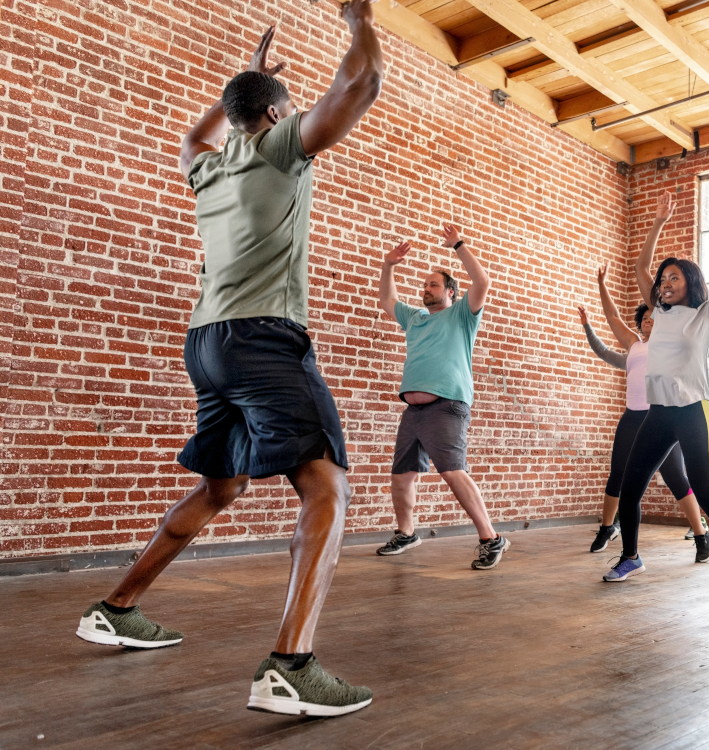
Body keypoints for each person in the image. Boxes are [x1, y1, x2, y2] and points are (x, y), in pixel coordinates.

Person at [74, 11, 384, 716]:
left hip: (206, 343)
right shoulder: (278, 148)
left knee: (224, 487)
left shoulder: (206, 168)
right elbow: (362, 81)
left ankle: (118, 607)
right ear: (275, 115)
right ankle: (291, 664)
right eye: (283, 109)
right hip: (262, 339)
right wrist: (359, 17)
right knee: (326, 484)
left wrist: (241, 85)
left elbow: (191, 136)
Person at [602, 188, 709, 600]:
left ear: (690, 283)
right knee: (629, 486)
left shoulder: (707, 314)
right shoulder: (657, 312)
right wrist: (657, 220)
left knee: (707, 492)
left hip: (694, 411)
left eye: (675, 277)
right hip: (658, 414)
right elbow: (641, 265)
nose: (665, 283)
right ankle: (631, 556)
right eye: (663, 279)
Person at [374, 225, 508, 571]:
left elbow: (483, 283)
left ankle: (491, 538)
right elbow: (386, 301)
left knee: (452, 471)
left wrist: (459, 246)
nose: (426, 289)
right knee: (402, 476)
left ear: (450, 291)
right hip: (414, 412)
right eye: (424, 285)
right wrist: (388, 266)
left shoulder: (462, 315)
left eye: (433, 284)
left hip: (447, 405)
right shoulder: (416, 318)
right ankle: (406, 533)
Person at [578, 263, 709, 561]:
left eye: (655, 316)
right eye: (647, 319)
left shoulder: (670, 340)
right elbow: (612, 318)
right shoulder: (634, 346)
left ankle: (702, 535)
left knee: (677, 478)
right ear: (641, 324)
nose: (651, 321)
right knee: (619, 475)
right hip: (632, 417)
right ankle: (607, 527)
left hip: (662, 417)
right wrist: (602, 284)